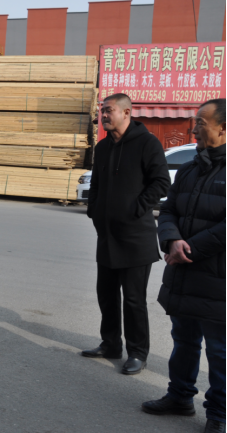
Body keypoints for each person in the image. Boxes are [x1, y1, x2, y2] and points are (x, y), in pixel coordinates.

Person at [142, 99, 226, 433]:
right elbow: (169, 209)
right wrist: (172, 239)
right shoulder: (191, 168)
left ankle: (219, 414)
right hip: (184, 271)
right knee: (184, 340)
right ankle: (179, 396)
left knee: (220, 351)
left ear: (223, 128)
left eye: (201, 123)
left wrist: (189, 247)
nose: (194, 129)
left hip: (218, 278)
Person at [83, 93, 171, 375]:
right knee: (106, 295)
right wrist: (94, 210)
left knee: (134, 300)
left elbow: (161, 182)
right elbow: (96, 184)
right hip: (107, 235)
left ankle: (137, 352)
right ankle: (110, 344)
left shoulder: (147, 143)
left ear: (126, 112)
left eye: (108, 110)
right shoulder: (103, 146)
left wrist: (136, 209)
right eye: (102, 111)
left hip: (136, 237)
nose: (103, 116)